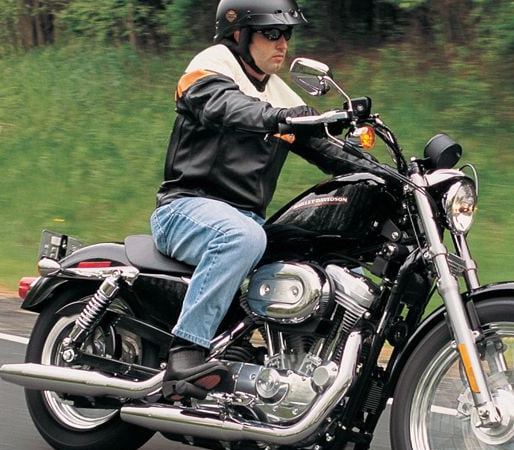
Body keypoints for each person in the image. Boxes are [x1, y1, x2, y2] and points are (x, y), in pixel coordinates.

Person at [151, 0, 382, 401]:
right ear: (239, 34)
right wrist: (278, 118)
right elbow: (227, 106)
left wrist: (393, 176)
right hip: (185, 209)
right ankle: (186, 353)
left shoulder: (278, 93)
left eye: (286, 34)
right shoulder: (208, 69)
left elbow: (327, 150)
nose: (282, 44)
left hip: (245, 220)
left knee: (318, 250)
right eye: (271, 33)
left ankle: (279, 356)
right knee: (242, 237)